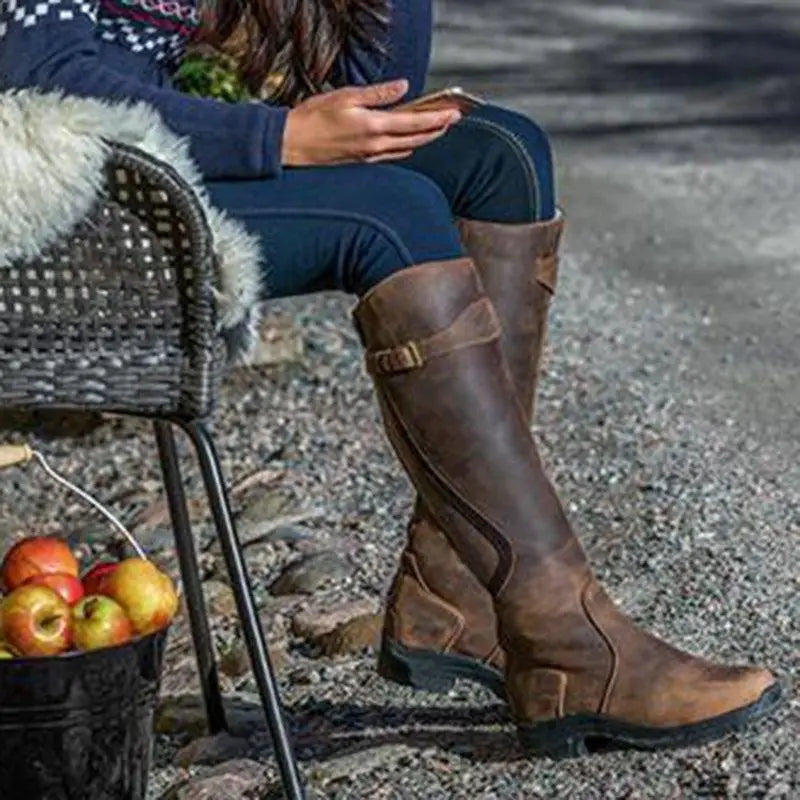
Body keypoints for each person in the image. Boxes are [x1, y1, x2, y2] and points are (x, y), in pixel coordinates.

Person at [0, 0, 781, 758]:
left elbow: (379, 85)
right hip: (53, 197)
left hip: (144, 167)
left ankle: (454, 598)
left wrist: (298, 129)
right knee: (394, 213)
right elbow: (42, 76)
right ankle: (565, 640)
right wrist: (279, 137)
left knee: (499, 158)